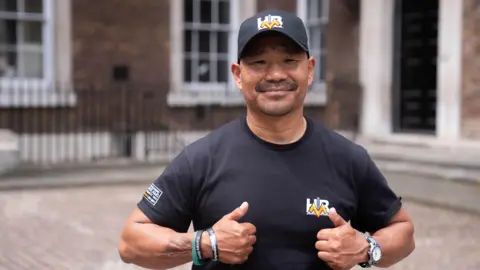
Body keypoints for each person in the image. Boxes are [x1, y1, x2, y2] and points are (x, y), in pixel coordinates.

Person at [118, 9, 415, 270]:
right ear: (238, 74)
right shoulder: (202, 159)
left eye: (289, 60)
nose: (275, 74)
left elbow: (402, 231)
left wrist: (365, 249)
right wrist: (204, 244)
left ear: (309, 70)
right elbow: (131, 243)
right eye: (259, 62)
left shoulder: (348, 159)